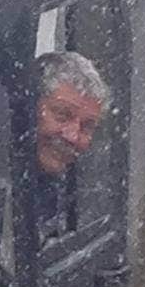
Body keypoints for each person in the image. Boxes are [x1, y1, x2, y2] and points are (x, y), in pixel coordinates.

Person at [34, 50, 109, 235]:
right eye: (62, 115)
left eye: (86, 126)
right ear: (28, 108)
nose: (72, 136)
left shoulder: (84, 198)